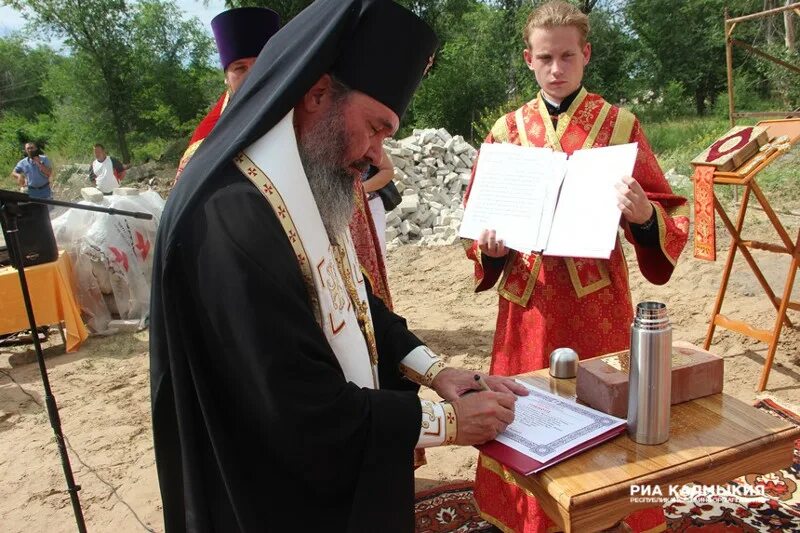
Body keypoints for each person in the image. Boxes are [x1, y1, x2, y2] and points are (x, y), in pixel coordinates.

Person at [149, 1, 528, 531]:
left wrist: (438, 372)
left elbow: (351, 298)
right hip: (268, 489)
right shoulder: (231, 213)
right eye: (375, 127)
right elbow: (292, 399)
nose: (376, 154)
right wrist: (446, 423)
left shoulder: (297, 172)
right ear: (318, 94)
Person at [465, 2, 690, 532]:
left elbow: (669, 211)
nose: (557, 68)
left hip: (597, 304)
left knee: (605, 412)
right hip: (528, 306)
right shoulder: (505, 131)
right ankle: (529, 519)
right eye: (545, 57)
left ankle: (609, 514)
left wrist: (643, 215)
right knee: (525, 416)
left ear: (586, 54)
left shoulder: (621, 125)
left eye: (568, 56)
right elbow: (479, 216)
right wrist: (488, 248)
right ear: (528, 58)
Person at [173, 7, 281, 181]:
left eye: (261, 62)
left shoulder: (308, 107)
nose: (252, 75)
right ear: (226, 79)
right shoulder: (206, 139)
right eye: (240, 68)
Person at [349, 147, 395, 308]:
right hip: (338, 209)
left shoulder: (367, 136)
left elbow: (387, 170)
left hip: (370, 205)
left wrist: (359, 189)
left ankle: (376, 309)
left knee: (374, 256)